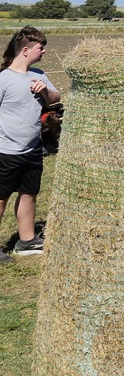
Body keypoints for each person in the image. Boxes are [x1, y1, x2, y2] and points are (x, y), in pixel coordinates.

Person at [0, 28, 61, 261]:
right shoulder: (4, 79)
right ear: (25, 50)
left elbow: (56, 100)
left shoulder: (39, 75)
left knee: (29, 193)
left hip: (33, 149)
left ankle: (26, 242)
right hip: (5, 151)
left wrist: (45, 91)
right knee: (1, 197)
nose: (44, 51)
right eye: (40, 47)